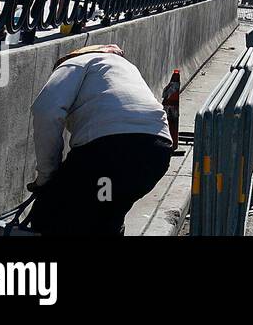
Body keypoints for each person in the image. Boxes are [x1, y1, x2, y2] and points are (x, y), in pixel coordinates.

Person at [29, 44, 174, 236]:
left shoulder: (75, 63)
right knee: (105, 212)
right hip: (155, 154)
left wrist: (46, 177)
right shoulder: (125, 68)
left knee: (48, 212)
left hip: (109, 152)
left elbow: (46, 111)